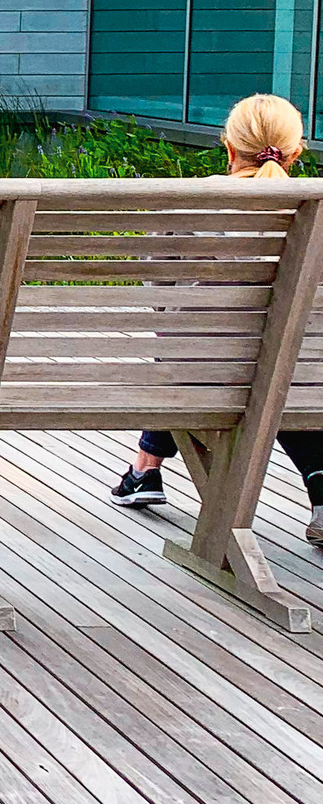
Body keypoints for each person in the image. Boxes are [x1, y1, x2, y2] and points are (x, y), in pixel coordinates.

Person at [110, 93, 323, 547]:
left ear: (228, 149)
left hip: (205, 371)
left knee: (201, 356)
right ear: (296, 154)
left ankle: (144, 471)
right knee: (288, 362)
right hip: (306, 372)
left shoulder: (186, 202)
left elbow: (160, 301)